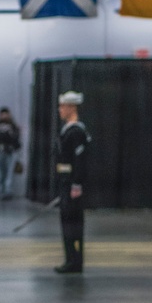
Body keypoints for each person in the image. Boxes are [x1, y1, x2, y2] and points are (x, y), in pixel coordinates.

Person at [54, 90, 89, 273]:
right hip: (65, 180)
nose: (60, 110)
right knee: (66, 220)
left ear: (71, 107)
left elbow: (80, 161)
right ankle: (71, 258)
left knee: (72, 221)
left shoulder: (76, 131)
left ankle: (75, 260)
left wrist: (76, 184)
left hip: (71, 183)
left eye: (62, 106)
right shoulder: (68, 129)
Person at [0, 106, 21, 200]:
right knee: (0, 172)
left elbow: (15, 137)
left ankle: (8, 191)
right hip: (0, 151)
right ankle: (1, 191)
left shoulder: (13, 125)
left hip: (11, 152)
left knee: (9, 172)